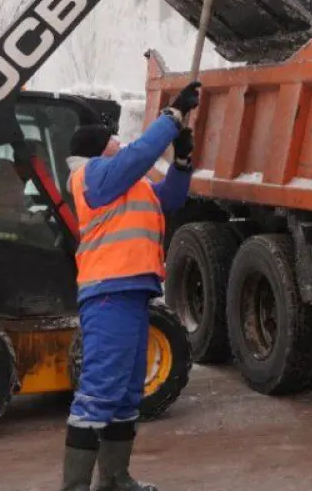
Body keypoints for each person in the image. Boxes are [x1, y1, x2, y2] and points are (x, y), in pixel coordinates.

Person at [60, 82, 201, 491]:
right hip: (108, 293)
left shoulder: (125, 183)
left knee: (125, 393)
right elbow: (140, 155)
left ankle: (116, 479)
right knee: (100, 392)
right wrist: (172, 118)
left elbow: (169, 199)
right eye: (112, 140)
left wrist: (182, 162)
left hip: (132, 293)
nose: (120, 143)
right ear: (96, 149)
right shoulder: (92, 176)